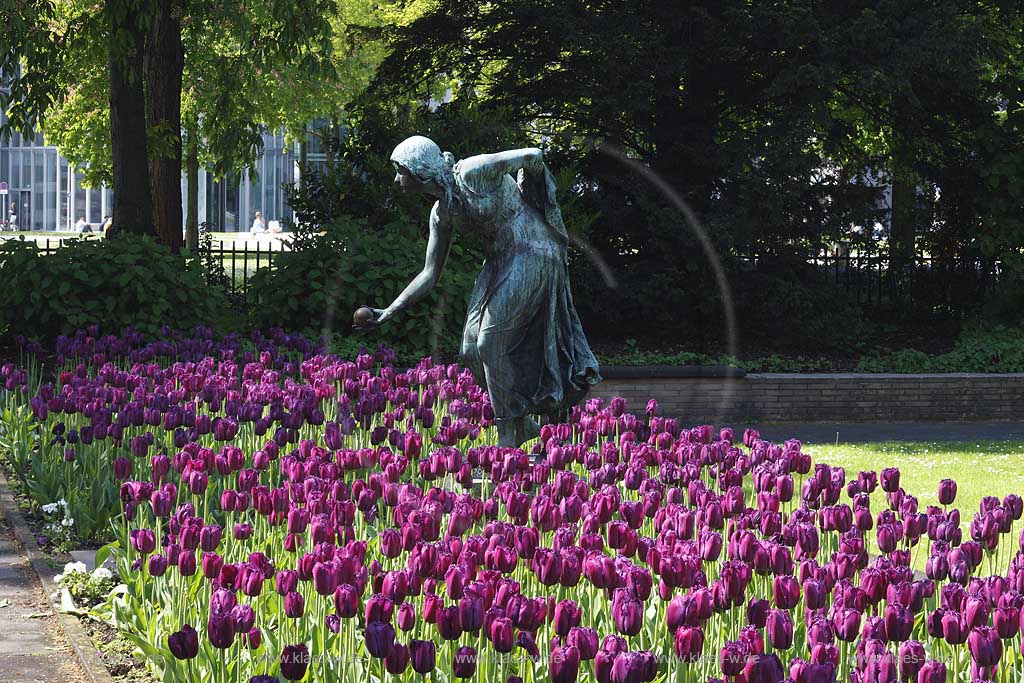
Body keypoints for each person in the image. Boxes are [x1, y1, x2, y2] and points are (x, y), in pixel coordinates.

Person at [355, 135, 601, 447]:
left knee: (489, 340)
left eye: (400, 170)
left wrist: (538, 203)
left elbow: (533, 155)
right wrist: (388, 310)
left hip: (533, 250)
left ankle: (507, 439)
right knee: (470, 350)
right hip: (499, 260)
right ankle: (521, 422)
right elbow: (430, 273)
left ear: (420, 170)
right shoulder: (441, 213)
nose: (396, 178)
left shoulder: (472, 172)